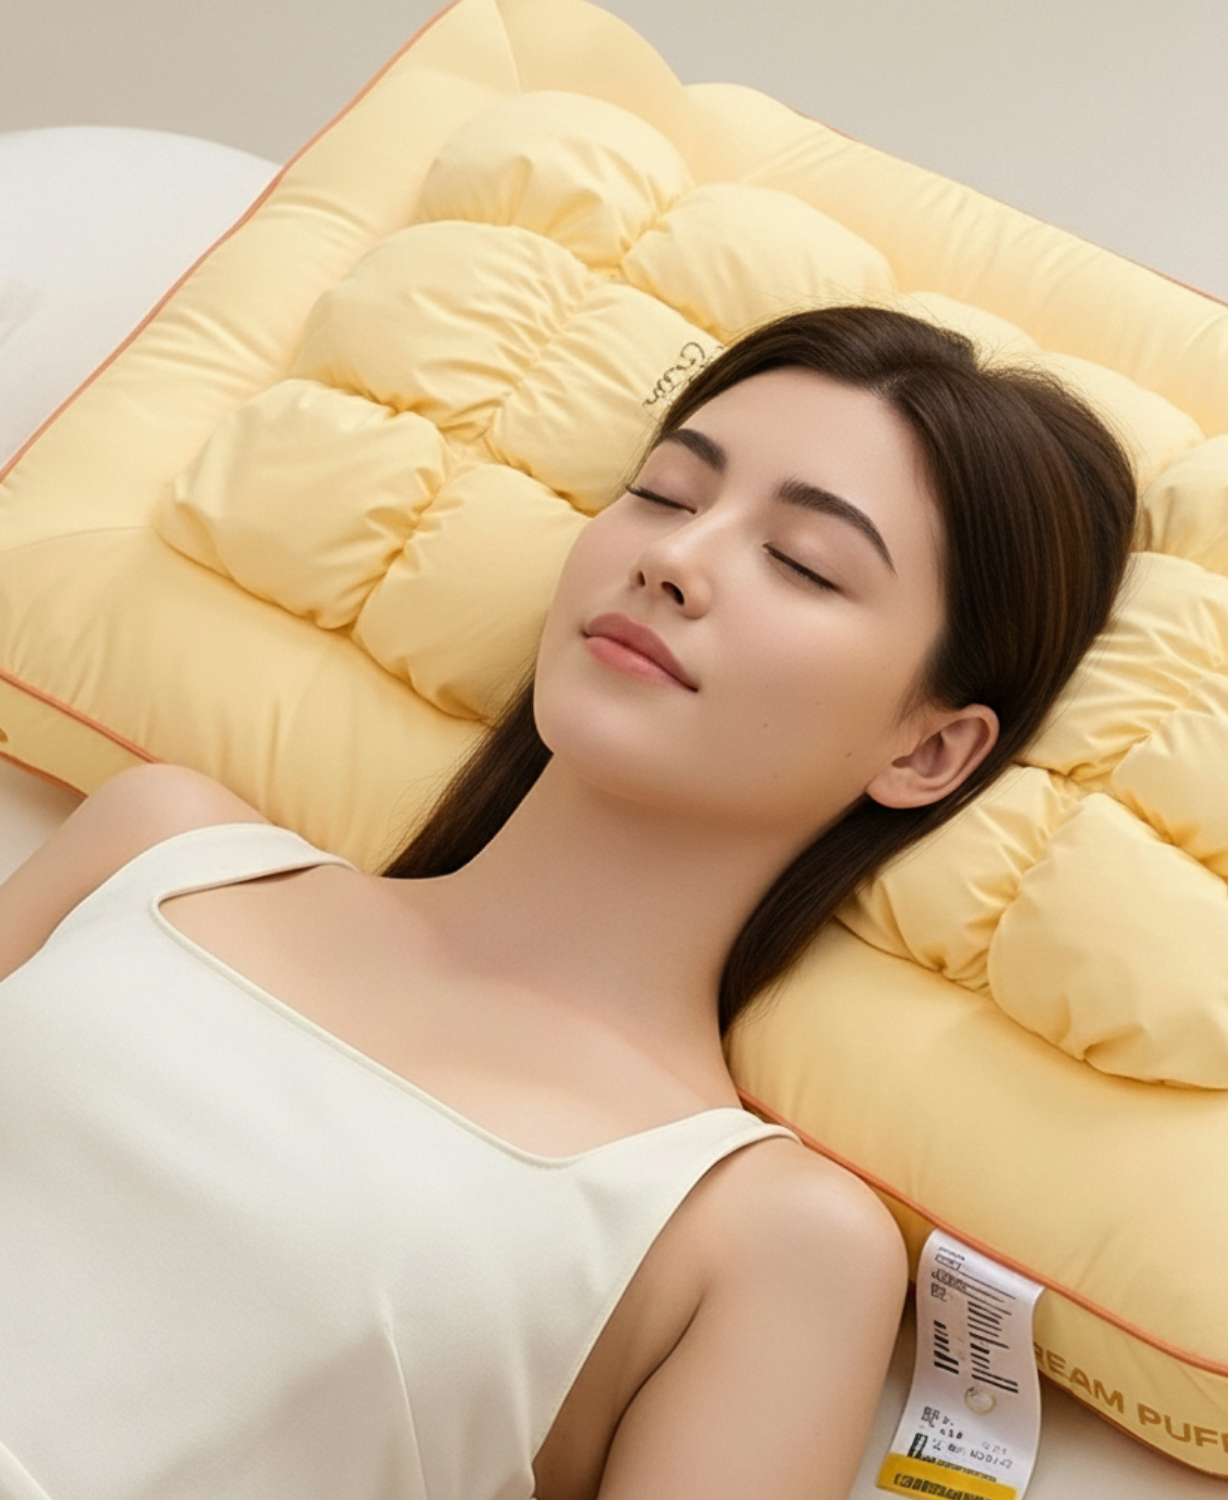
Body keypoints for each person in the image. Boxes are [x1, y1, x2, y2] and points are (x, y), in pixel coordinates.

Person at [0, 305, 1136, 1500]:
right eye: (664, 494)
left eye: (802, 561)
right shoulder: (163, 844)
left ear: (929, 753)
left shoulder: (763, 1239)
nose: (675, 559)